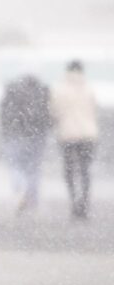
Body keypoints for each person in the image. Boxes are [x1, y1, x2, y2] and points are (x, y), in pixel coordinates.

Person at [49, 60, 99, 219]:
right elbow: (94, 109)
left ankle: (73, 201)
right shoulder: (89, 88)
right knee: (85, 170)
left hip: (67, 134)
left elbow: (54, 111)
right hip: (88, 134)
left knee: (69, 170)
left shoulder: (58, 89)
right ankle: (83, 203)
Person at [0, 74, 51, 214]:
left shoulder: (11, 92)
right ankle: (32, 198)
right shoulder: (42, 92)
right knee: (33, 169)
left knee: (15, 166)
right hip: (36, 136)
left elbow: (3, 114)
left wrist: (6, 131)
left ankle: (19, 191)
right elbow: (47, 115)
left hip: (14, 135)